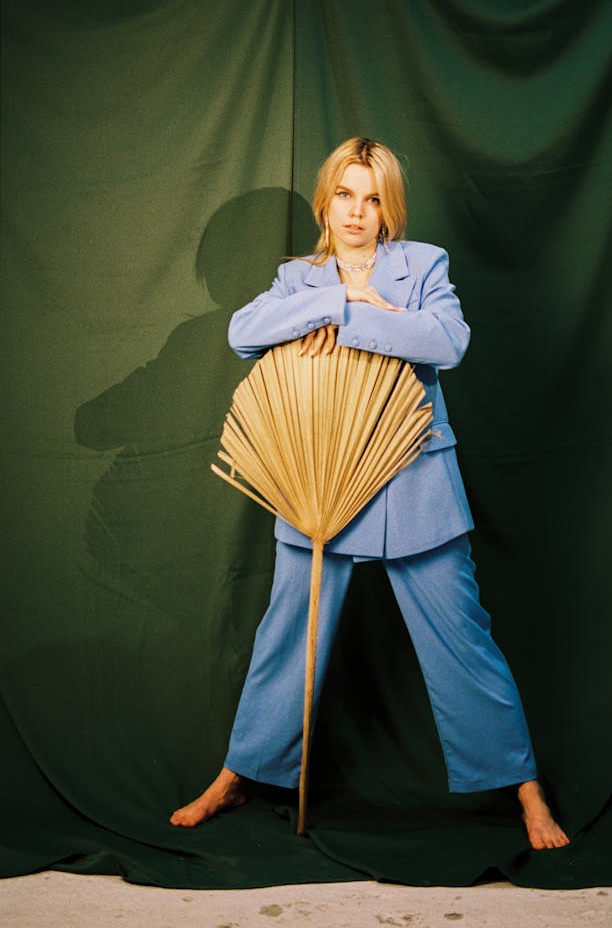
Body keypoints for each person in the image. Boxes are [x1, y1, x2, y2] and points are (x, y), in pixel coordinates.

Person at [171, 138, 569, 850]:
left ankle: (525, 786)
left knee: (462, 637)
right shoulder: (299, 278)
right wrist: (338, 294)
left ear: (391, 208)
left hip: (414, 480)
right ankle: (238, 771)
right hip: (318, 483)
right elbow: (242, 332)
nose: (359, 211)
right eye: (347, 195)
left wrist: (355, 318)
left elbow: (447, 340)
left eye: (374, 197)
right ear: (327, 200)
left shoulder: (424, 266)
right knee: (286, 638)